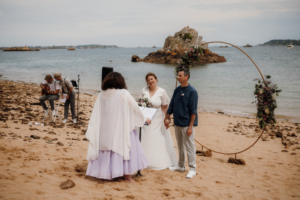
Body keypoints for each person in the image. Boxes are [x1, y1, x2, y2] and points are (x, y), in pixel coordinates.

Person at [85, 72, 150, 182]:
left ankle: (103, 172)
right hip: (120, 127)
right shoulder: (123, 92)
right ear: (120, 81)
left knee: (106, 149)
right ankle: (127, 177)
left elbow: (98, 112)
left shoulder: (101, 94)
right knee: (126, 146)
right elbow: (135, 108)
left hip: (105, 128)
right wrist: (144, 119)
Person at [164, 68, 198, 179]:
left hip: (186, 124)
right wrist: (167, 116)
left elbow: (193, 111)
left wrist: (190, 126)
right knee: (180, 146)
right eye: (177, 75)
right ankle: (180, 165)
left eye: (180, 75)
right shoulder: (177, 90)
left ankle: (192, 168)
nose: (178, 77)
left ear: (186, 77)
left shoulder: (192, 91)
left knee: (189, 147)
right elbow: (172, 104)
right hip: (177, 123)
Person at [139, 72, 177, 170]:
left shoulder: (161, 92)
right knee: (145, 139)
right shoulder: (144, 90)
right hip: (146, 119)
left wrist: (167, 119)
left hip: (157, 121)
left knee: (157, 140)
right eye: (148, 80)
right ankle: (143, 160)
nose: (150, 81)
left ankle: (157, 161)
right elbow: (140, 104)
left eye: (152, 79)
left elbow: (165, 107)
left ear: (156, 79)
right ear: (147, 82)